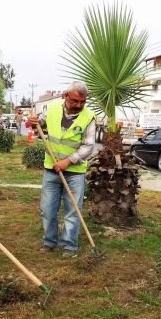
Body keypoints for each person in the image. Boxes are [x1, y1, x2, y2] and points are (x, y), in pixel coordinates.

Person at [28, 81, 96, 258]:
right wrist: (33, 121)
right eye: (75, 101)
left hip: (74, 173)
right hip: (51, 170)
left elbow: (88, 147)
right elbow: (39, 122)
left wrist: (67, 162)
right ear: (66, 96)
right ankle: (49, 241)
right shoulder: (52, 108)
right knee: (47, 209)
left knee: (73, 210)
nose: (79, 105)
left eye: (82, 102)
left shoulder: (89, 117)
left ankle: (69, 245)